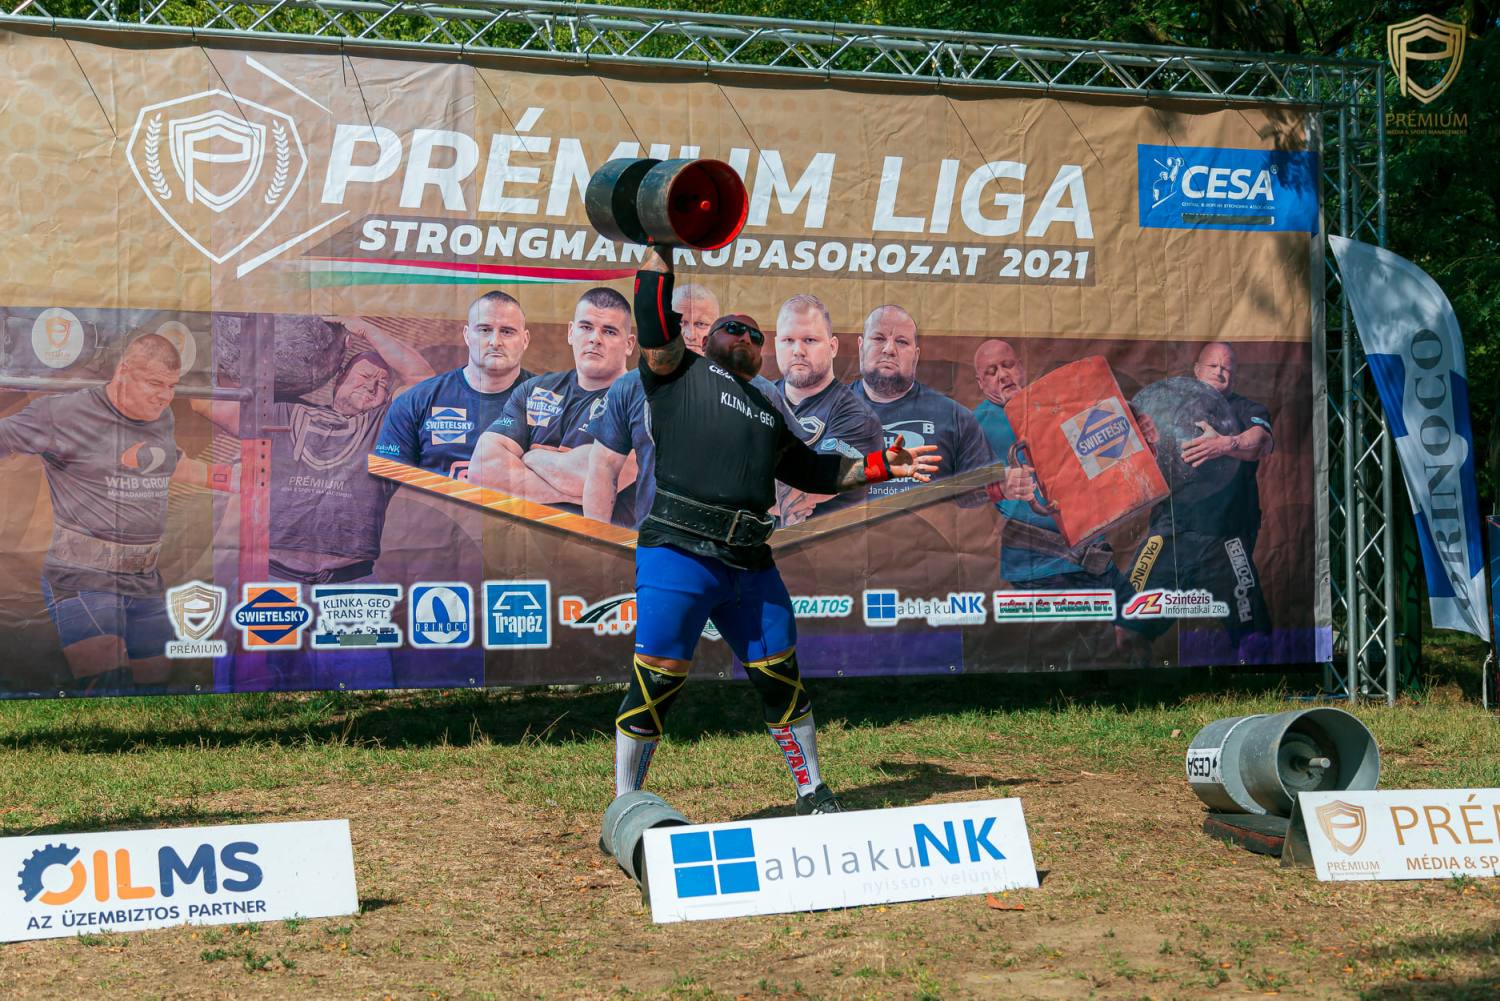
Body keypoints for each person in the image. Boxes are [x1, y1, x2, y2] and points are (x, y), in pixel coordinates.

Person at [613, 249, 940, 815]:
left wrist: (882, 465)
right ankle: (625, 803)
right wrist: (660, 246)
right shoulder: (676, 372)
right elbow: (651, 313)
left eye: (754, 333)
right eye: (731, 328)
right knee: (656, 682)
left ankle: (812, 792)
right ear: (704, 339)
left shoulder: (768, 406)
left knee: (781, 676)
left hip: (749, 562)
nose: (744, 334)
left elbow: (814, 471)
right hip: (679, 551)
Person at [0, 334, 237, 690]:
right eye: (154, 383)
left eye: (171, 386)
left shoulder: (161, 416)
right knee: (105, 679)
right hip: (81, 576)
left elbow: (169, 462)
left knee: (154, 685)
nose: (164, 396)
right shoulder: (62, 413)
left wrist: (235, 479)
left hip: (144, 579)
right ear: (123, 371)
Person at [195, 316, 433, 586]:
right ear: (339, 377)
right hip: (274, 577)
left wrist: (368, 330)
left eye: (382, 384)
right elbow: (205, 402)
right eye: (366, 376)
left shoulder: (386, 428)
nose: (372, 385)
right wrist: (231, 347)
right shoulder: (282, 412)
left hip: (352, 584)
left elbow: (424, 380)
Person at [972, 338, 1150, 659]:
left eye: (1007, 365)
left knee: (1135, 631)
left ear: (1021, 367)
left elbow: (1100, 452)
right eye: (991, 371)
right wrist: (998, 485)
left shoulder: (1049, 403)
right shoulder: (976, 426)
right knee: (1084, 653)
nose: (1002, 375)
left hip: (1092, 553)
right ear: (981, 382)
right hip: (1040, 567)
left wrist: (1136, 428)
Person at [584, 285, 797, 528]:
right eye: (680, 323)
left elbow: (791, 472)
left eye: (701, 324)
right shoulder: (631, 386)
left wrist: (787, 536)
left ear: (715, 333)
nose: (690, 334)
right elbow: (603, 467)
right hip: (660, 540)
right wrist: (596, 541)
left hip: (738, 544)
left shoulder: (763, 392)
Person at [1129, 342, 1274, 656]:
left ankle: (1254, 682)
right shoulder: (1168, 407)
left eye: (1227, 368)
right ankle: (1139, 683)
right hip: (1169, 533)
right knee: (1127, 626)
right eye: (1213, 366)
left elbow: (1261, 441)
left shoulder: (1246, 410)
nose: (1220, 372)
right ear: (1196, 370)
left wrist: (1226, 444)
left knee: (1253, 637)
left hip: (1225, 538)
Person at [471, 287, 633, 513]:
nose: (595, 339)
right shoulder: (534, 389)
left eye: (609, 331)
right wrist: (575, 492)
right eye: (586, 327)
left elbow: (595, 475)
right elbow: (483, 468)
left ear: (629, 344)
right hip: (530, 534)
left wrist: (532, 457)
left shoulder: (641, 400)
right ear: (571, 332)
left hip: (602, 536)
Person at [373, 290, 535, 480]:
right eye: (484, 330)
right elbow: (388, 485)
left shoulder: (554, 404)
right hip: (435, 500)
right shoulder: (415, 402)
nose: (495, 342)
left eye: (507, 331)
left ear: (525, 340)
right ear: (467, 335)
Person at [852, 305, 997, 503]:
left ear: (916, 356)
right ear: (861, 347)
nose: (889, 349)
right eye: (878, 338)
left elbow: (983, 503)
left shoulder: (956, 418)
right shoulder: (824, 411)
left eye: (901, 341)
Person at [771, 294, 885, 525]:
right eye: (788, 340)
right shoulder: (756, 398)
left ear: (832, 347)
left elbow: (811, 486)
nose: (798, 350)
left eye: (810, 340)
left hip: (823, 544)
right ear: (776, 345)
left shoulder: (857, 417)